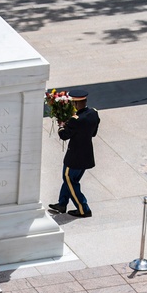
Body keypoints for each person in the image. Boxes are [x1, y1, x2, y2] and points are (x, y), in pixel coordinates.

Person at [47, 89, 100, 219]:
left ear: (76, 104)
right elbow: (93, 133)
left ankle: (83, 208)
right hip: (86, 155)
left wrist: (61, 125)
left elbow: (64, 135)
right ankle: (62, 204)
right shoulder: (93, 113)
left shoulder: (75, 120)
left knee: (70, 180)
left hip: (74, 157)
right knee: (71, 181)